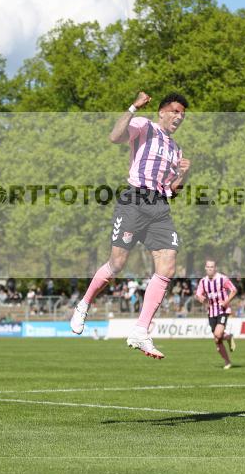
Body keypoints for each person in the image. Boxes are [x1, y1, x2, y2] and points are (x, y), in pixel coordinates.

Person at [70, 91, 190, 359]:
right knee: (117, 265)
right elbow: (114, 137)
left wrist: (183, 173)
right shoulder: (144, 125)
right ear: (161, 112)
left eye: (182, 113)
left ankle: (140, 330)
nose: (178, 116)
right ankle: (84, 304)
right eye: (174, 111)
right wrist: (133, 107)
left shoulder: (175, 149)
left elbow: (173, 190)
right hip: (134, 200)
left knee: (168, 265)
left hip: (159, 206)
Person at [194, 260, 237, 369]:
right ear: (205, 268)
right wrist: (201, 298)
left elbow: (234, 290)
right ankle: (227, 361)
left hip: (222, 310)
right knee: (217, 340)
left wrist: (226, 302)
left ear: (215, 268)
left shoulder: (222, 279)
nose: (210, 269)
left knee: (218, 334)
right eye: (208, 267)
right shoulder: (203, 281)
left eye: (212, 267)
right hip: (211, 312)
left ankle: (227, 337)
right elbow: (198, 294)